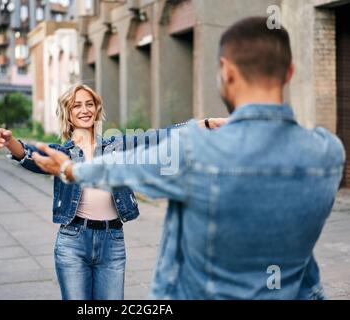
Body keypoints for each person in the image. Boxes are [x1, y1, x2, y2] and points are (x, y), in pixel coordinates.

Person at [29, 17, 345, 299]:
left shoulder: (196, 151)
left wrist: (70, 169)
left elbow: (126, 166)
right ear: (289, 73)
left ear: (227, 72)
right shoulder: (328, 152)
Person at [0, 84, 226, 299]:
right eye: (77, 105)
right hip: (73, 242)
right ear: (68, 114)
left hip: (112, 242)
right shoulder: (61, 152)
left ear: (96, 109)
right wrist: (10, 141)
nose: (84, 110)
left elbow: (159, 137)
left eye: (89, 104)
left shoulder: (118, 147)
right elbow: (28, 153)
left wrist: (204, 124)